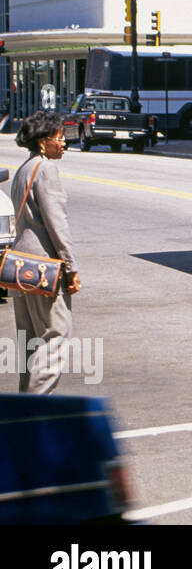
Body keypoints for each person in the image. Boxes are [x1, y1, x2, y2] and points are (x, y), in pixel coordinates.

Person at [10, 112, 82, 393]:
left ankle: (22, 413)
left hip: (19, 267)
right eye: (59, 138)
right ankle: (36, 410)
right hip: (43, 270)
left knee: (29, 342)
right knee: (54, 337)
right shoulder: (46, 169)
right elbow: (57, 225)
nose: (64, 143)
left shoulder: (24, 169)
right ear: (43, 142)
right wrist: (70, 267)